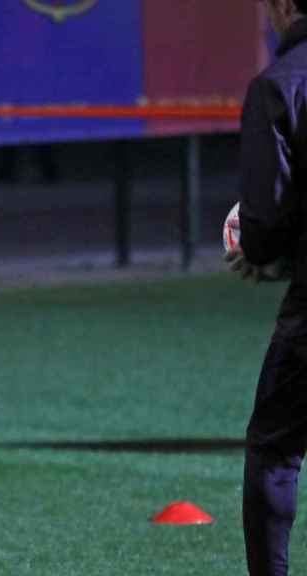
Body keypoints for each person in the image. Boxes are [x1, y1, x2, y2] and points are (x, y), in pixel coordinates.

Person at [227, 0, 307, 573]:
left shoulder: (279, 84)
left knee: (275, 449)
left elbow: (266, 220)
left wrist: (256, 250)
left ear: (283, 6)